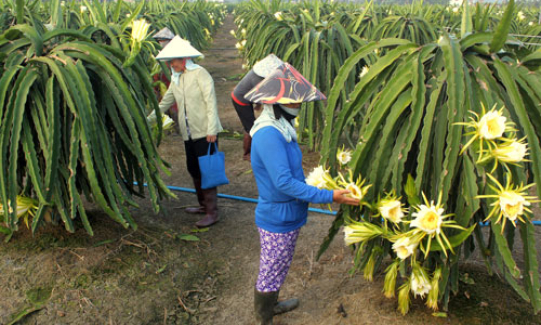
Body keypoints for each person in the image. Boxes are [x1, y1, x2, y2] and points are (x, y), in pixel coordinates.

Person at [244, 63, 360, 324]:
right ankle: (264, 317)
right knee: (271, 268)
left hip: (288, 213)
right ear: (276, 102)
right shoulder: (268, 135)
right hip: (277, 216)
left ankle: (272, 305)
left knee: (281, 264)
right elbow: (284, 182)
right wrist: (330, 196)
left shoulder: (282, 128)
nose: (297, 106)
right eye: (293, 101)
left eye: (298, 101)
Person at [148, 36, 223, 228]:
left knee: (208, 169)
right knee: (194, 168)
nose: (170, 65)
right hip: (188, 132)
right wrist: (147, 121)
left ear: (183, 60)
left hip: (205, 131)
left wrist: (212, 128)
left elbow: (210, 101)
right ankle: (203, 205)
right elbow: (165, 103)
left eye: (172, 61)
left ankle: (212, 212)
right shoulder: (177, 79)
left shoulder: (200, 74)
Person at [231, 54, 283, 161]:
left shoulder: (260, 75)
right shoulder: (257, 78)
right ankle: (247, 154)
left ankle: (253, 151)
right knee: (250, 128)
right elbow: (264, 97)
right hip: (240, 100)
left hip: (245, 97)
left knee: (252, 126)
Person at [152, 27, 179, 132]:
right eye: (159, 40)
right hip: (162, 85)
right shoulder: (158, 55)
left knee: (175, 108)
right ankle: (170, 127)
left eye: (162, 40)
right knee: (165, 108)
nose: (160, 42)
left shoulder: (176, 54)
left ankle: (177, 127)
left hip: (173, 86)